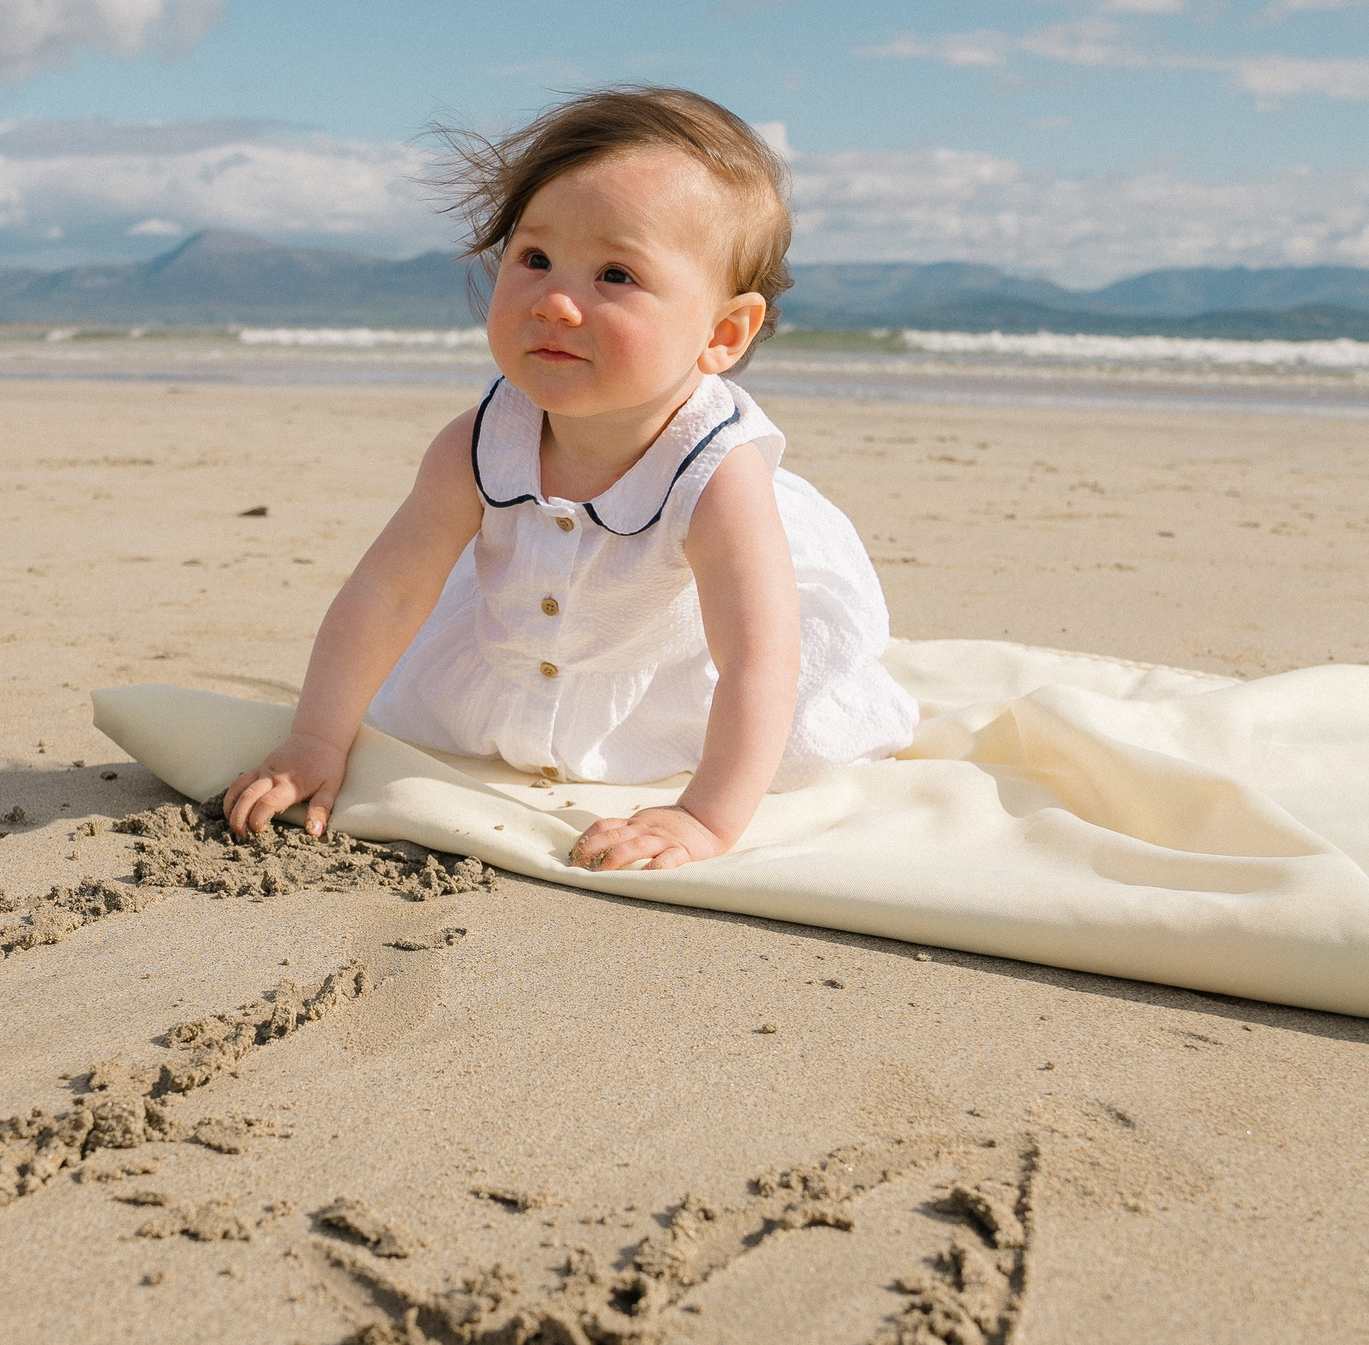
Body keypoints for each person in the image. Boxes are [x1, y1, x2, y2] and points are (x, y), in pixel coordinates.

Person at [221, 87, 919, 871]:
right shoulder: (477, 443)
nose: (555, 300)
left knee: (792, 727)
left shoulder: (719, 475)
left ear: (723, 333)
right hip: (530, 639)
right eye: (535, 258)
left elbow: (759, 662)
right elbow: (388, 594)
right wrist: (315, 737)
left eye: (615, 275)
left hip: (681, 661)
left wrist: (703, 818)